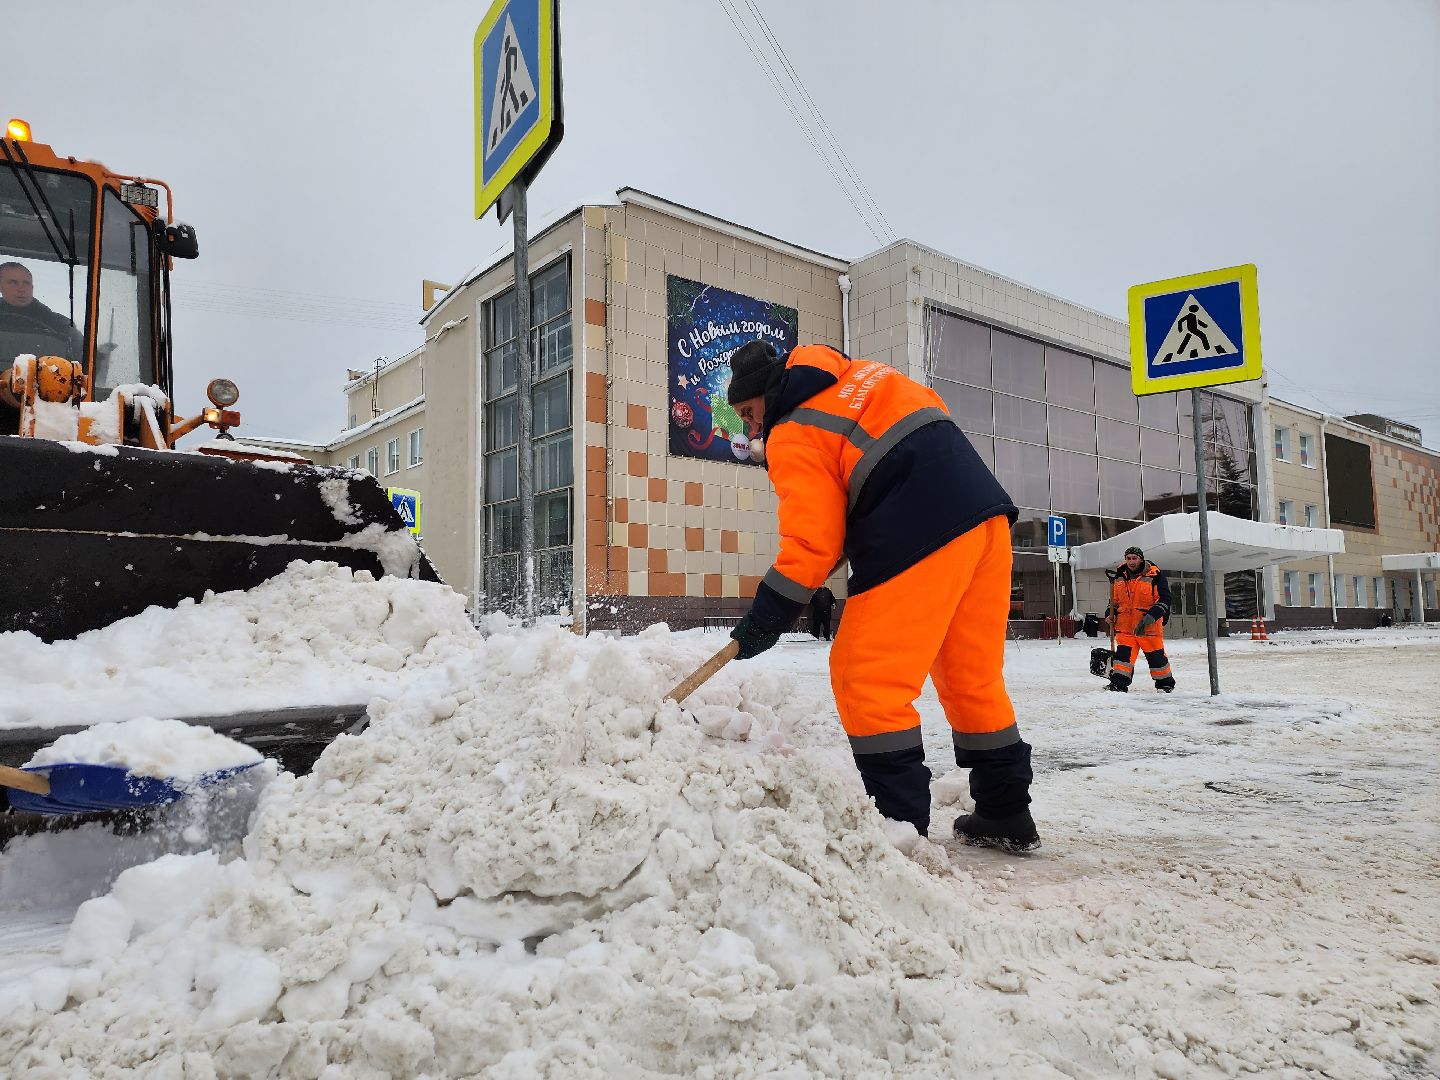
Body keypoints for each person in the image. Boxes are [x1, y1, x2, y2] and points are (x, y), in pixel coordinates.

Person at [724, 340, 1039, 852]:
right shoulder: (865, 379)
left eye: (749, 413)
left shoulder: (794, 430)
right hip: (986, 522)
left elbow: (813, 543)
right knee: (970, 676)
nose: (751, 429)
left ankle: (899, 830)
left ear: (766, 395)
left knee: (866, 676)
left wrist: (767, 616)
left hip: (918, 530)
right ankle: (1005, 810)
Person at [1103, 546, 1175, 693]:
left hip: (1148, 626)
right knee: (1123, 659)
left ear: (1141, 559)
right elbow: (1115, 601)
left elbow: (1165, 599)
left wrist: (1152, 615)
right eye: (1128, 558)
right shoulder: (1119, 576)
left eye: (1134, 558)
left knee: (1156, 658)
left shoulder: (1155, 575)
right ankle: (1118, 684)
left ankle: (1165, 684)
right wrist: (1110, 613)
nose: (1131, 561)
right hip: (1125, 627)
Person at [0, 261, 84, 364]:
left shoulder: (58, 325)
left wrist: (101, 356)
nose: (21, 289)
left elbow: (85, 360)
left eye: (26, 283)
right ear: (1, 286)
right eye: (13, 283)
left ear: (32, 287)